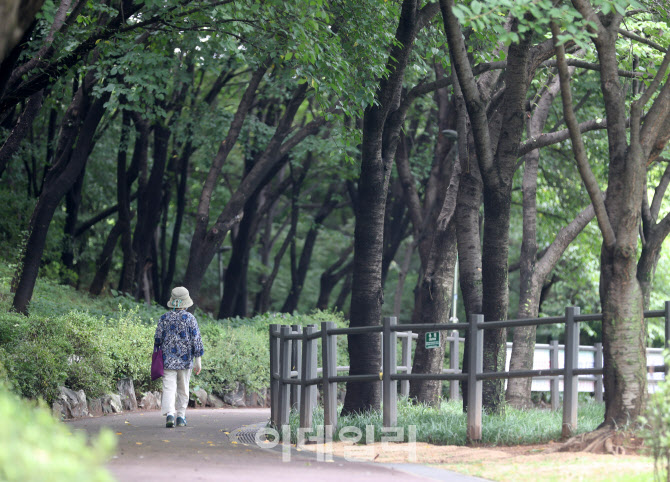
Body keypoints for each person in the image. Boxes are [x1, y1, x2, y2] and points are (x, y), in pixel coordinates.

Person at [154, 286, 204, 428]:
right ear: (186, 302)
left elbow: (157, 339)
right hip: (185, 361)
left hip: (167, 361)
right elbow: (196, 340)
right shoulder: (190, 319)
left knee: (169, 388)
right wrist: (198, 360)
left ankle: (170, 414)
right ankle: (181, 417)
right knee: (183, 388)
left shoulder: (164, 318)